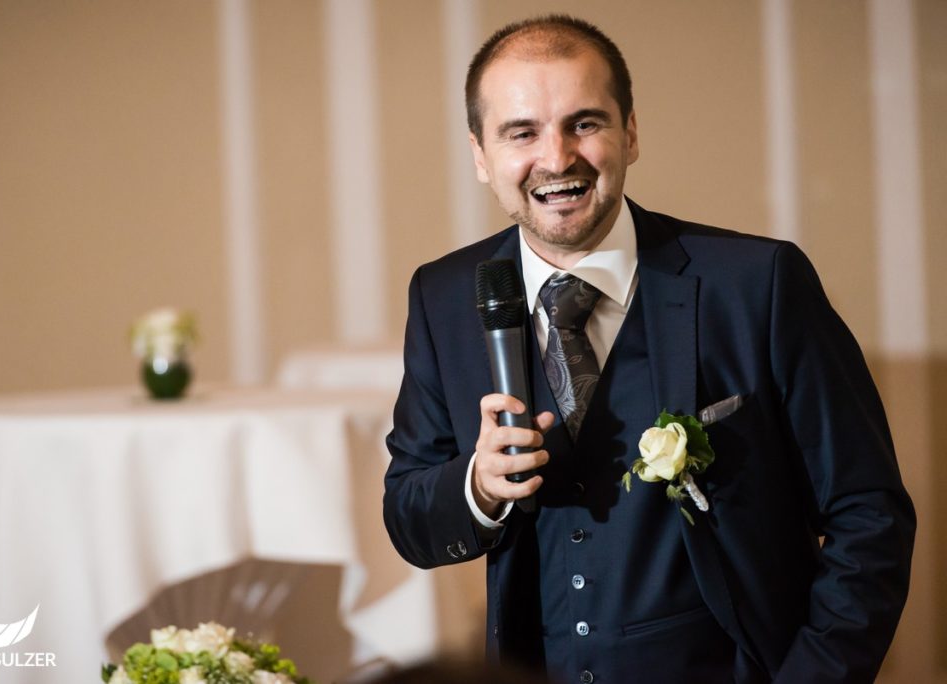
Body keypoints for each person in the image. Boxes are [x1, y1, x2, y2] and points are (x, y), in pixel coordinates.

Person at [383, 14, 914, 684]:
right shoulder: (444, 297)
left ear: (630, 132)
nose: (556, 158)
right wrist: (478, 488)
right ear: (481, 156)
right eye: (522, 133)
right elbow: (408, 514)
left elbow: (870, 516)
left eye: (585, 123)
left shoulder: (757, 285)